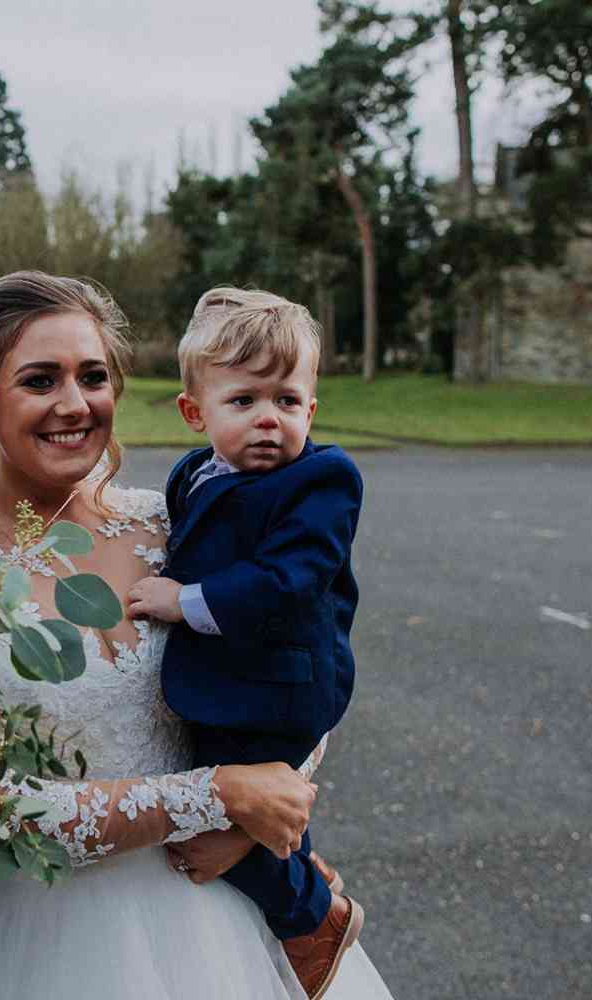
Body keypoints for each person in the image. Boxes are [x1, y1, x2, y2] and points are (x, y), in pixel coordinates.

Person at [0, 271, 393, 999]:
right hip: (36, 932)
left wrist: (267, 809)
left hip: (216, 909)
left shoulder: (171, 526)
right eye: (40, 380)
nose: (75, 405)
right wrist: (218, 797)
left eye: (94, 376)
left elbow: (296, 658)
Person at [127, 287, 364, 998]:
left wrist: (182, 600)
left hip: (283, 684)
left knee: (228, 815)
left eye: (288, 401)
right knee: (226, 791)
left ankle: (313, 915)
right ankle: (285, 860)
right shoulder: (190, 473)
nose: (269, 419)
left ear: (312, 409)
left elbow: (286, 582)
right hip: (232, 679)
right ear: (195, 412)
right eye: (245, 401)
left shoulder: (323, 480)